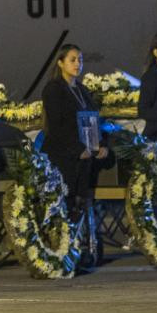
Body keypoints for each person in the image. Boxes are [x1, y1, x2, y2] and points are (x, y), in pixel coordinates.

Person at [40, 44, 110, 267]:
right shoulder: (53, 89)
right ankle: (63, 250)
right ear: (60, 63)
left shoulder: (81, 90)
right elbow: (58, 126)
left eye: (80, 59)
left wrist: (100, 145)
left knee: (80, 202)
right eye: (72, 59)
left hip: (85, 156)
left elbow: (94, 120)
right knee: (67, 203)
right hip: (64, 156)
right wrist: (77, 148)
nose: (77, 64)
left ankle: (79, 248)